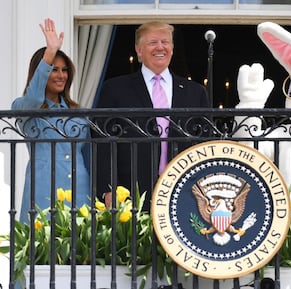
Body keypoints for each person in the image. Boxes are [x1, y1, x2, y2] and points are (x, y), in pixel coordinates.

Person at [94, 21, 209, 210]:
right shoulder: (114, 89)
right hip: (130, 190)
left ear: (172, 48)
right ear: (139, 50)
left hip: (185, 190)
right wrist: (108, 189)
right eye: (153, 42)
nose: (160, 47)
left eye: (165, 42)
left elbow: (205, 143)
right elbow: (102, 143)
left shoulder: (195, 92)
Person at [12, 18, 90, 223]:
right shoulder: (23, 107)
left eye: (64, 70)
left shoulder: (77, 112)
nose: (61, 75)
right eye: (54, 69)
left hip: (79, 189)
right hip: (43, 191)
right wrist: (50, 52)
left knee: (79, 252)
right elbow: (34, 99)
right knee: (41, 252)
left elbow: (88, 154)